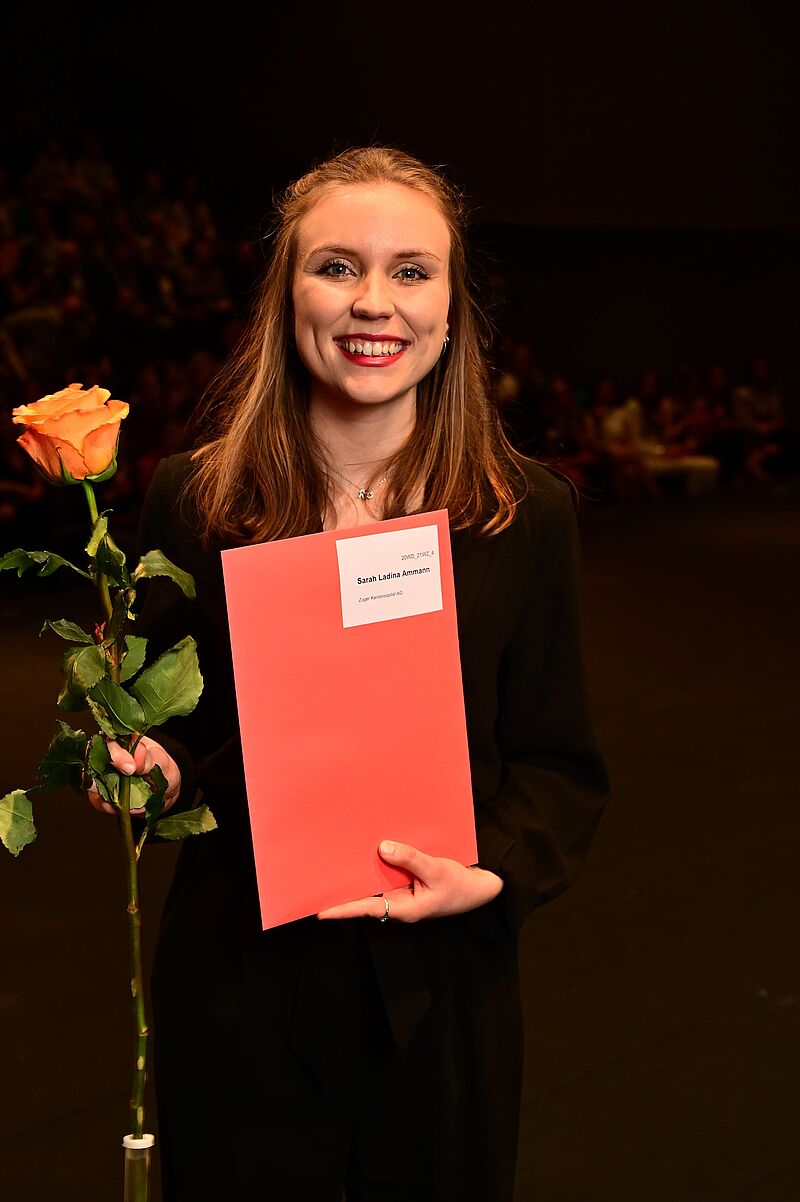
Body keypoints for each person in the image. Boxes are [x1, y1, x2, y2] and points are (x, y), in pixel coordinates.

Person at [88, 147, 609, 1202]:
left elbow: (558, 765)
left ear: (453, 311)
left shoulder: (523, 515)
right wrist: (145, 767)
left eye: (411, 271)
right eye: (337, 266)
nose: (375, 302)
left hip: (440, 990)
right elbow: (171, 730)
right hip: (237, 982)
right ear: (287, 296)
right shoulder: (193, 499)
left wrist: (489, 873)